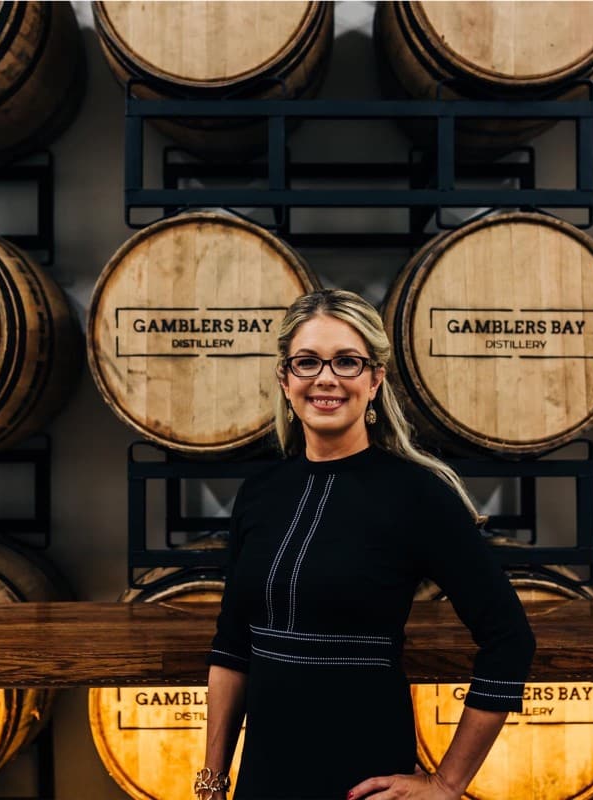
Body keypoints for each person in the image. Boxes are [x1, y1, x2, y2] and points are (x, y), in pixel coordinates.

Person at [199, 289, 536, 800]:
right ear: (285, 379)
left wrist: (447, 783)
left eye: (346, 361)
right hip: (262, 783)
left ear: (375, 379)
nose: (326, 378)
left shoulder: (418, 495)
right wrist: (212, 781)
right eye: (307, 362)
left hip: (364, 782)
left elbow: (509, 639)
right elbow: (232, 646)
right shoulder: (259, 493)